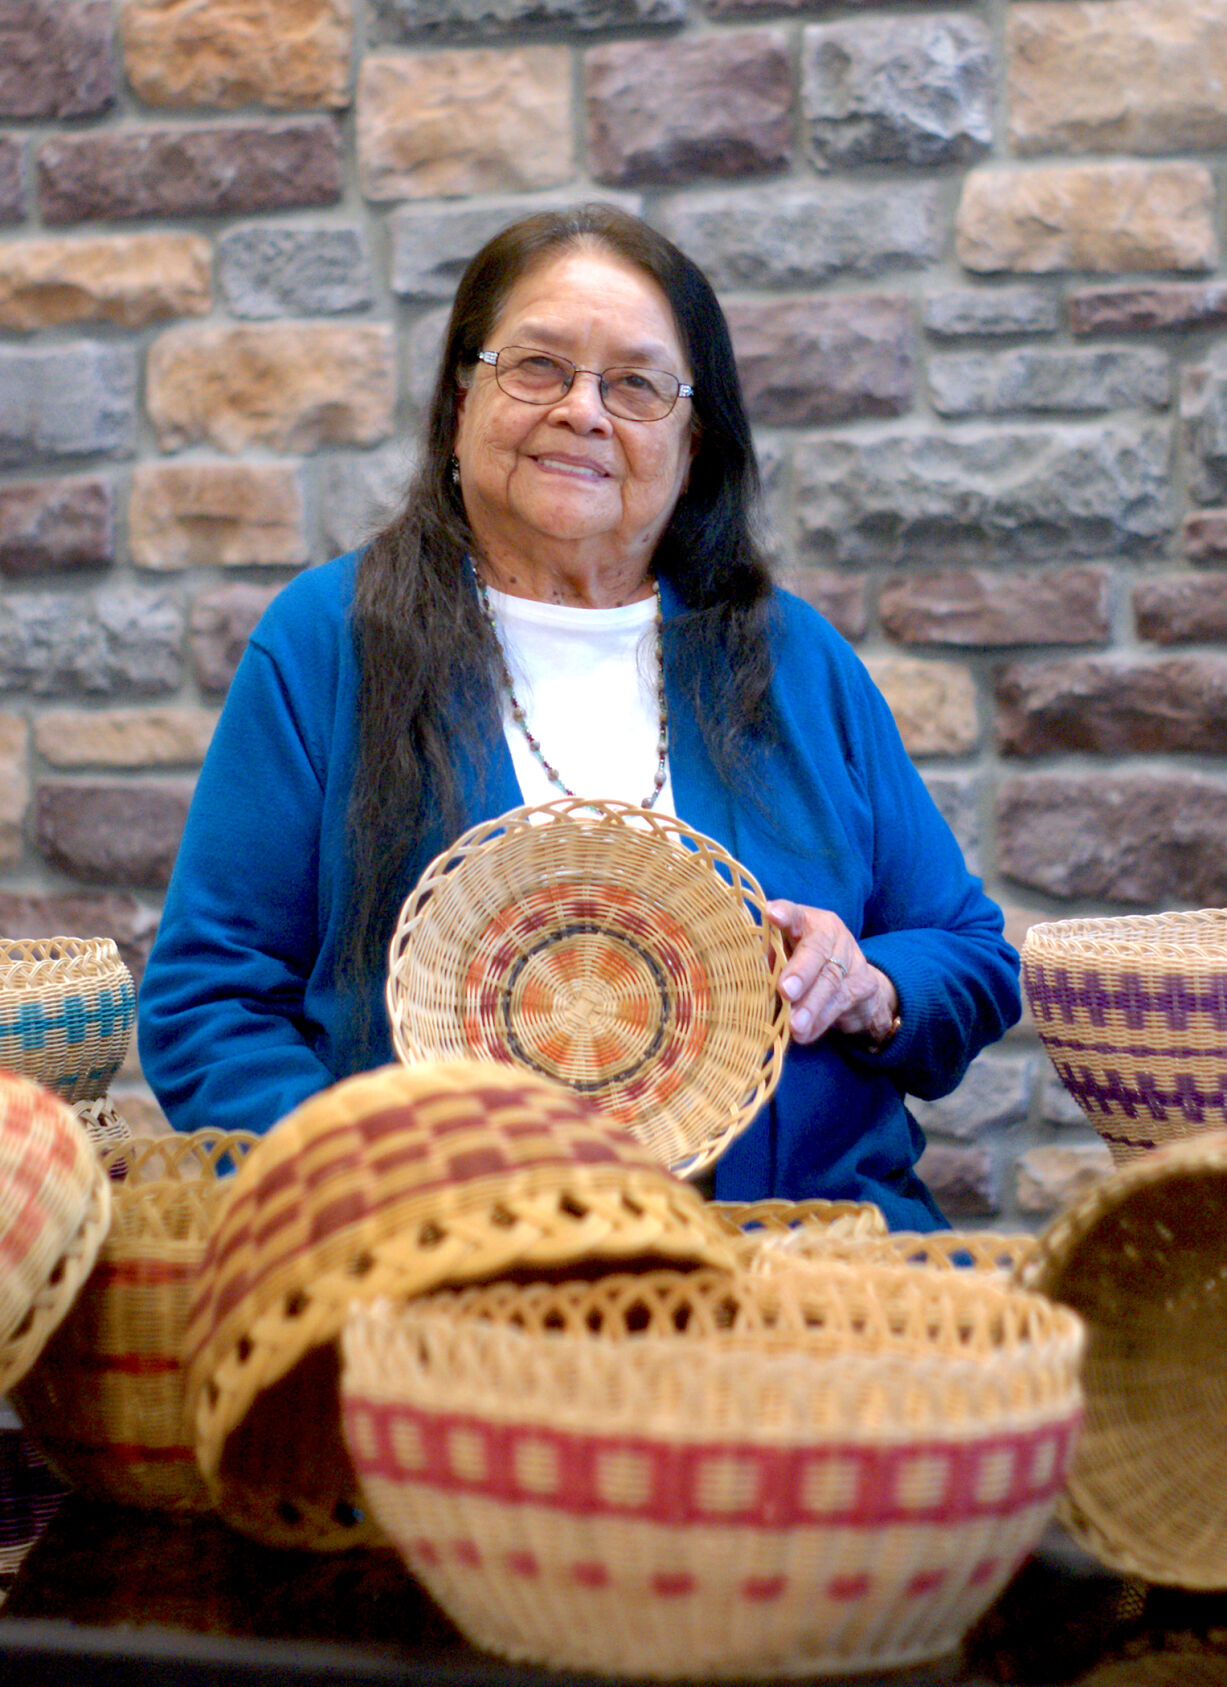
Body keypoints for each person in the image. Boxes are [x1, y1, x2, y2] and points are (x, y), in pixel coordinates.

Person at [137, 202, 1020, 1230]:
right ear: (463, 396)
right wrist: (373, 1196)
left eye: (636, 384)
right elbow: (212, 1001)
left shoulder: (790, 657)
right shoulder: (330, 641)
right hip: (448, 1283)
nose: (584, 412)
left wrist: (870, 984)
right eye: (539, 367)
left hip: (814, 1261)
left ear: (694, 442)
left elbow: (971, 950)